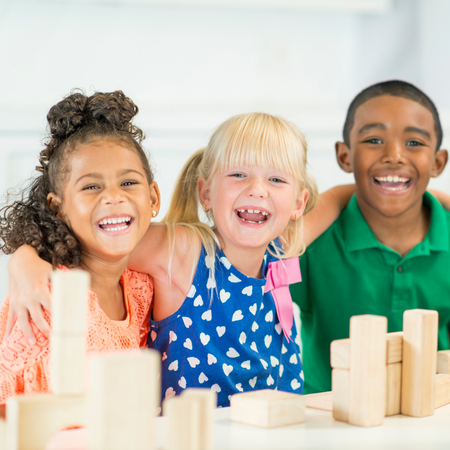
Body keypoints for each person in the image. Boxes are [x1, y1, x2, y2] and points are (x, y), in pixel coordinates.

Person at [6, 112, 348, 407]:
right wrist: (23, 261)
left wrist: (367, 184)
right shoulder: (182, 251)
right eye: (238, 175)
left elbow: (334, 202)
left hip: (279, 431)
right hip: (192, 436)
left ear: (299, 204)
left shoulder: (282, 247)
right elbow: (94, 237)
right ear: (205, 193)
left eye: (276, 179)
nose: (258, 189)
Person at [0, 90, 160, 416]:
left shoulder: (142, 289)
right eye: (91, 186)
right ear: (57, 208)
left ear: (153, 198)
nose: (114, 197)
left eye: (128, 183)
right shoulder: (47, 296)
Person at [290, 80, 450, 394]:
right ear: (345, 156)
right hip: (329, 427)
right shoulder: (310, 240)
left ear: (438, 162)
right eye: (374, 139)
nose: (394, 156)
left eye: (414, 143)